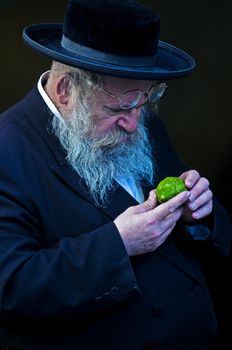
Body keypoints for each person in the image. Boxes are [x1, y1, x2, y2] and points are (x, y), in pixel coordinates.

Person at [0, 0, 231, 349]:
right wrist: (119, 244)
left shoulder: (143, 121)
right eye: (120, 107)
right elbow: (11, 286)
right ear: (66, 91)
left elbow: (205, 235)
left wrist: (200, 213)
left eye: (144, 101)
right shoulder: (7, 150)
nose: (135, 123)